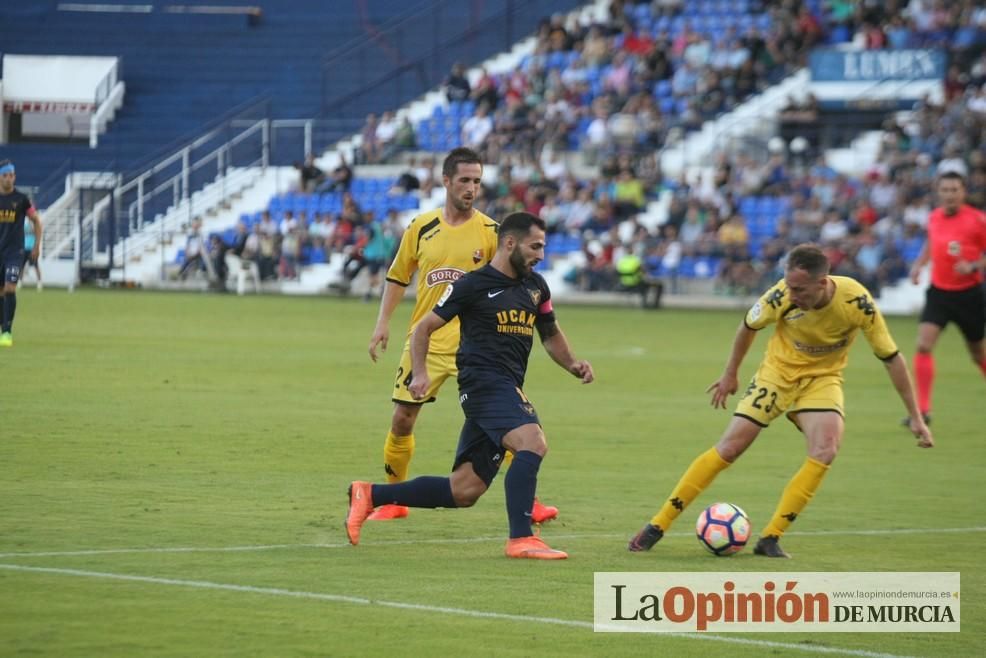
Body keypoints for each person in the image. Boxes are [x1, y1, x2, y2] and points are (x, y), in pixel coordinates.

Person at [628, 244, 934, 558]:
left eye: (799, 289)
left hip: (822, 379)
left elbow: (891, 358)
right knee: (730, 448)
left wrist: (916, 417)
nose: (792, 293)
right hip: (777, 374)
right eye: (788, 285)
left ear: (822, 282)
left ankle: (770, 538)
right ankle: (657, 525)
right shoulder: (780, 297)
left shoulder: (857, 302)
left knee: (826, 449)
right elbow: (748, 326)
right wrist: (730, 374)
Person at [347, 212, 594, 558]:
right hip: (483, 384)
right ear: (510, 243)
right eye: (535, 246)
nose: (541, 254)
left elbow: (550, 333)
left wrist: (572, 364)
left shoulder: (536, 287)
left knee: (464, 491)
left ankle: (369, 494)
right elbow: (424, 329)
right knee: (532, 442)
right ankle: (521, 538)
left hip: (504, 384)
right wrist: (419, 373)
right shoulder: (473, 285)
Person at [366, 147, 559, 523]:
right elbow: (398, 276)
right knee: (403, 418)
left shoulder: (491, 232)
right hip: (428, 340)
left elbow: (513, 281)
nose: (472, 188)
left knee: (505, 423)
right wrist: (382, 323)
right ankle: (393, 499)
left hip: (478, 347)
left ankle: (526, 502)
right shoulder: (421, 228)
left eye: (477, 181)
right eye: (465, 181)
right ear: (446, 182)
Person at [905, 172, 986, 425]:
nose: (950, 194)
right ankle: (923, 410)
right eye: (945, 190)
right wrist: (919, 265)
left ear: (963, 192)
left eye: (954, 189)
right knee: (923, 345)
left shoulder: (977, 220)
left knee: (977, 354)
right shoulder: (934, 217)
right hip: (939, 293)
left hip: (969, 295)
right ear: (938, 192)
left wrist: (973, 266)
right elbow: (931, 244)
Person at [0, 160, 42, 347]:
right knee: (1, 292)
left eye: (11, 175)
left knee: (10, 288)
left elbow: (36, 221)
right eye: (5, 175)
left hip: (15, 252)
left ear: (14, 177)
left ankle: (7, 332)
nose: (9, 179)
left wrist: (36, 246)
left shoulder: (22, 200)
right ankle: (3, 326)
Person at [21, 214, 42, 291]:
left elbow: (36, 232)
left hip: (32, 248)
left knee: (36, 265)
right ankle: (20, 282)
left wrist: (31, 223)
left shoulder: (34, 223)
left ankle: (39, 282)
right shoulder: (24, 223)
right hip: (24, 247)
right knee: (21, 266)